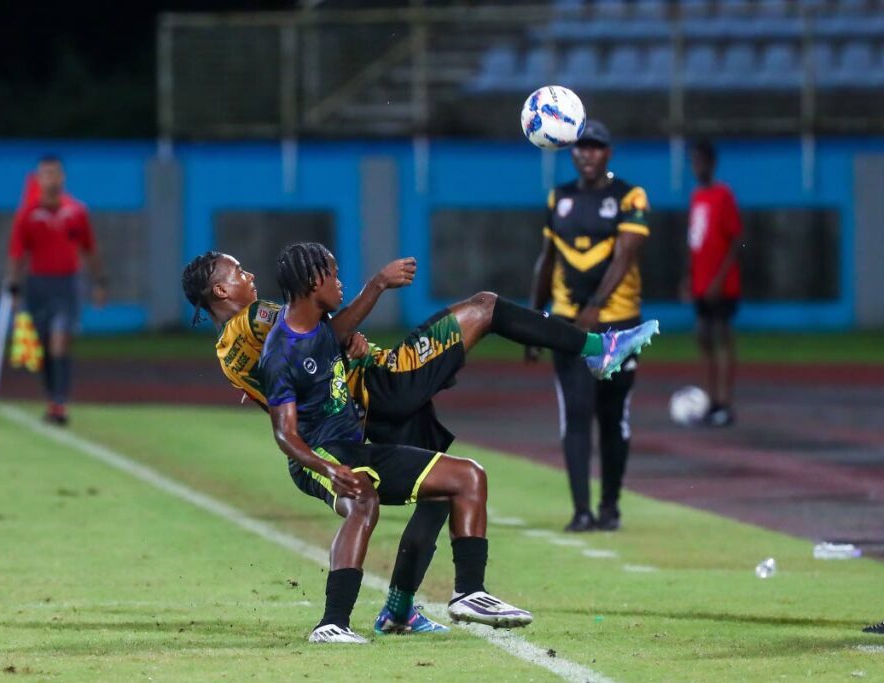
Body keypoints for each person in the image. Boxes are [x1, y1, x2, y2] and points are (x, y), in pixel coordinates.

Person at [181, 244, 657, 641]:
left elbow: (297, 368)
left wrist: (340, 352)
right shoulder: (265, 317)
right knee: (486, 307)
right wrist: (366, 306)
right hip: (381, 386)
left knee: (442, 484)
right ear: (221, 289)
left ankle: (399, 608)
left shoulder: (227, 354)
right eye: (237, 271)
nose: (249, 274)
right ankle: (598, 350)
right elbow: (310, 332)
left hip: (353, 417)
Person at [526, 120, 651, 533]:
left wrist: (596, 306)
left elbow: (627, 255)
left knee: (613, 417)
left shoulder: (630, 196)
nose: (587, 153)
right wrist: (533, 319)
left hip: (618, 326)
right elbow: (546, 260)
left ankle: (610, 504)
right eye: (580, 146)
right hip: (566, 324)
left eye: (595, 146)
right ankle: (582, 510)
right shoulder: (557, 197)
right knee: (576, 414)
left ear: (608, 152)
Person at [5, 155, 107, 425]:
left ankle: (60, 403)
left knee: (60, 341)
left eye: (54, 174)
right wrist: (13, 288)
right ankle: (52, 397)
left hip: (67, 283)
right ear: (38, 179)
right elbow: (18, 254)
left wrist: (99, 282)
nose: (50, 179)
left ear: (62, 177)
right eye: (45, 174)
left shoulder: (76, 212)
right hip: (37, 284)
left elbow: (89, 248)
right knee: (43, 346)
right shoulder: (27, 215)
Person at [682, 139, 743, 427]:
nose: (696, 167)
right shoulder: (696, 196)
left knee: (721, 337)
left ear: (712, 164)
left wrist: (719, 279)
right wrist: (689, 277)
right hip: (700, 282)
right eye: (693, 162)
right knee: (703, 337)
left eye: (700, 161)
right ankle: (708, 400)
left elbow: (736, 241)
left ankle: (725, 402)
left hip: (722, 284)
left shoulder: (723, 195)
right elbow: (695, 242)